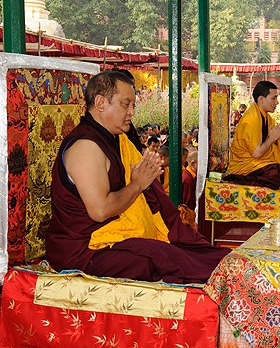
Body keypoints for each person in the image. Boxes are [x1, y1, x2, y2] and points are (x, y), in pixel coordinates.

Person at [45, 70, 229, 284]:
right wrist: (138, 184)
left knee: (185, 245)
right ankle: (221, 284)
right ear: (101, 102)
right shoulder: (86, 147)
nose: (132, 112)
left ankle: (229, 272)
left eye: (133, 105)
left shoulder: (116, 139)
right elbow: (100, 210)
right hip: (85, 249)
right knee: (152, 259)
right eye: (126, 104)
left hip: (110, 238)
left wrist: (146, 180)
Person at [225, 80, 280, 193]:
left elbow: (276, 146)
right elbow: (256, 153)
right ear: (261, 99)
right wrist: (272, 138)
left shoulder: (266, 117)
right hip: (245, 167)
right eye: (273, 98)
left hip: (260, 163)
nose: (277, 102)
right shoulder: (251, 119)